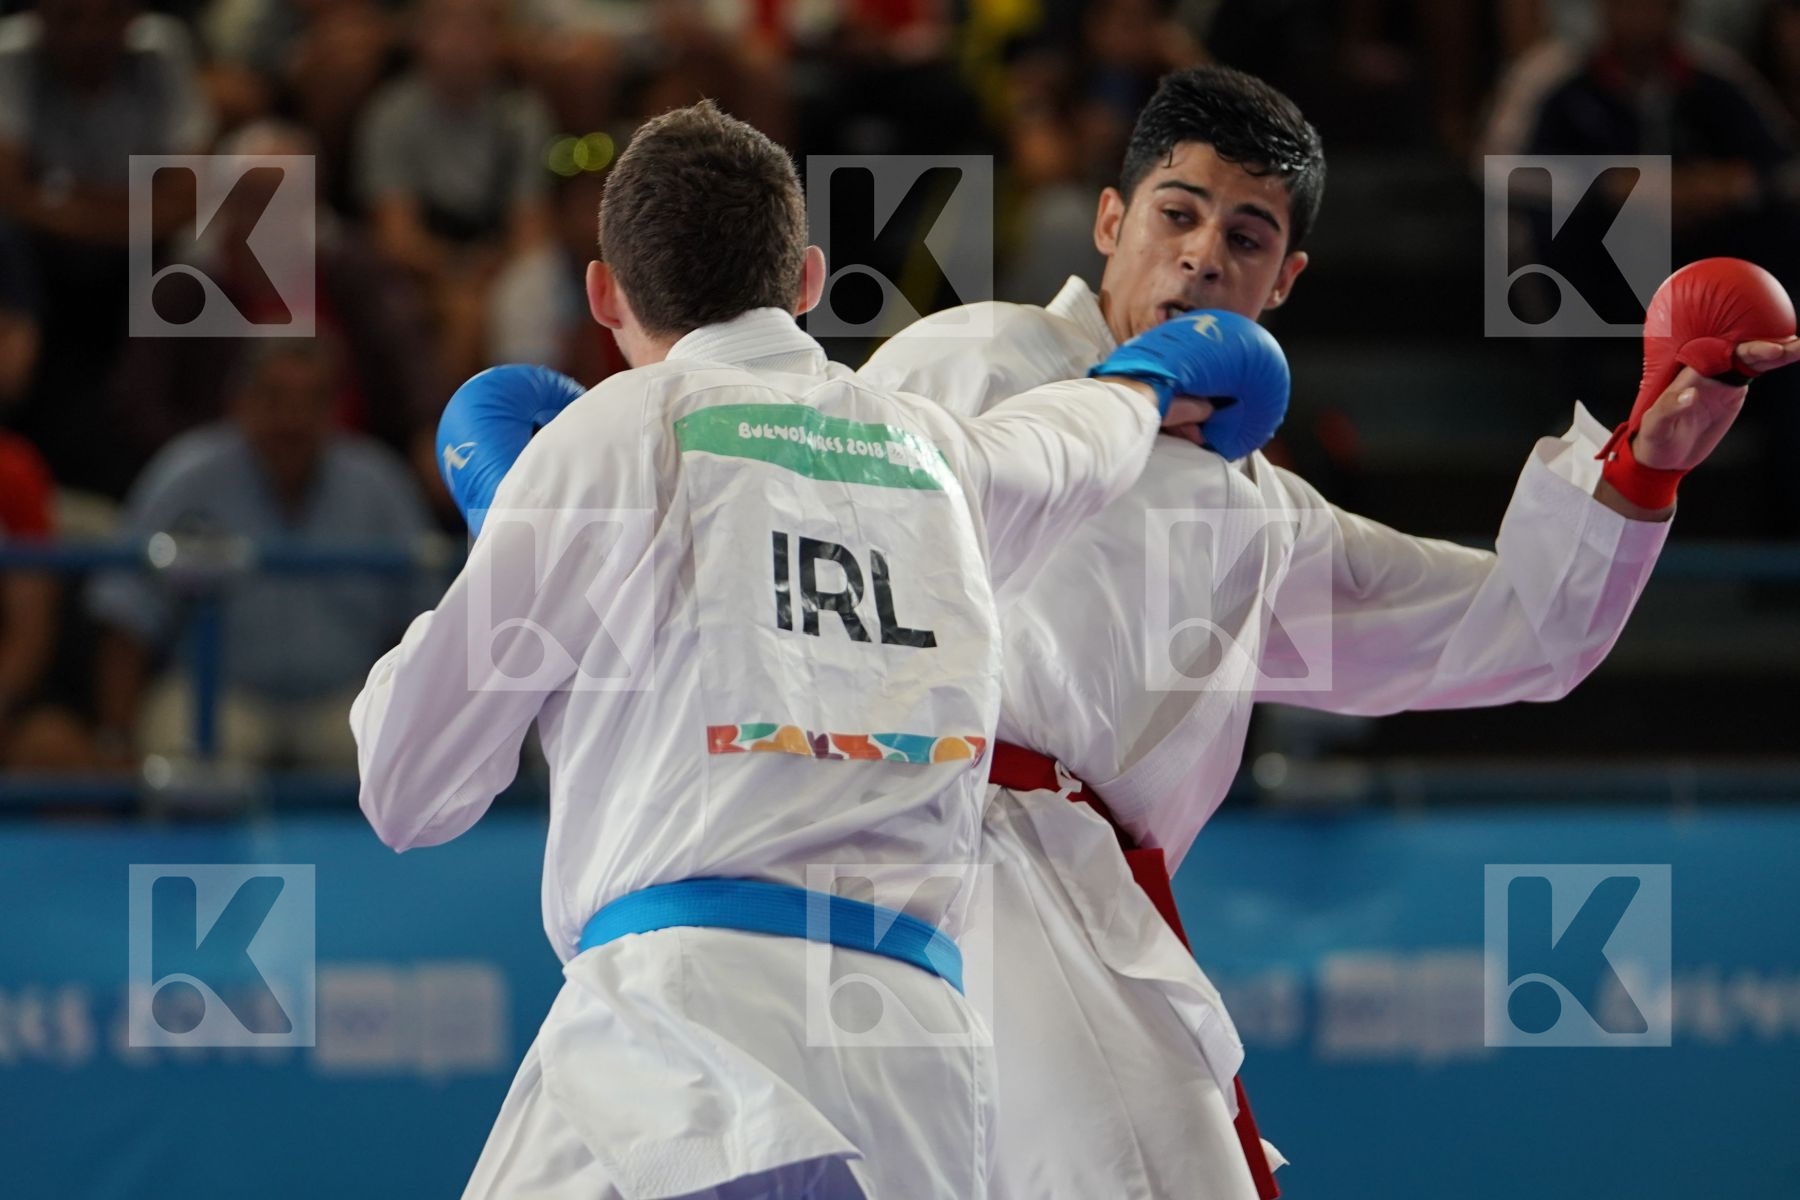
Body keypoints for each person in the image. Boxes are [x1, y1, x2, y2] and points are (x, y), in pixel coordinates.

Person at [859, 64, 1800, 1199]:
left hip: (1076, 908)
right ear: (1110, 221)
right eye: (1177, 212)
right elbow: (823, 543)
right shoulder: (976, 359)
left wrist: (1650, 462)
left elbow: (1514, 631)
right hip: (930, 848)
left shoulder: (1262, 522)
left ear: (1286, 280)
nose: (1205, 254)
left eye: (1247, 236)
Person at [349, 100, 1255, 1199]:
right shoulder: (936, 451)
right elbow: (1075, 441)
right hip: (915, 1061)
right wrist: (1156, 376)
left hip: (683, 1034)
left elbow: (407, 787)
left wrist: (508, 548)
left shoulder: (612, 437)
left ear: (602, 296)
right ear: (811, 279)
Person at [88, 340, 433, 770]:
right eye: (274, 398)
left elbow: (427, 623)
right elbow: (126, 618)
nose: (292, 418)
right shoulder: (186, 477)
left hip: (345, 698)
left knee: (401, 762)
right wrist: (115, 738)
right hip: (217, 696)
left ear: (334, 409)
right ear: (240, 401)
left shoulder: (379, 484)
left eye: (312, 400)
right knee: (176, 757)